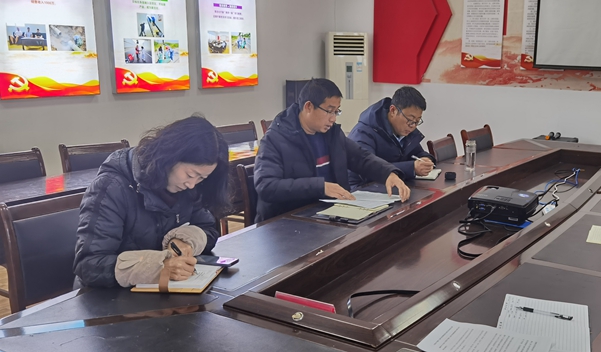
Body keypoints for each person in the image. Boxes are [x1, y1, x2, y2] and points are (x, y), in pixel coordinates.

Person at [74, 115, 229, 288]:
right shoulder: (111, 187)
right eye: (190, 174)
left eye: (201, 178)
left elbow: (208, 229)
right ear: (170, 158)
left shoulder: (187, 189)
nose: (192, 184)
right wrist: (157, 267)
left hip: (160, 291)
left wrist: (186, 241)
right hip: (106, 296)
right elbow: (89, 265)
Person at [254, 78, 410, 221]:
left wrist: (388, 173)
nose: (333, 118)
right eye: (329, 111)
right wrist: (321, 187)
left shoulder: (331, 134)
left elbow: (360, 157)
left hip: (327, 215)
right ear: (308, 107)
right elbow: (266, 186)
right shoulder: (275, 139)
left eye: (336, 111)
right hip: (286, 221)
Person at [348, 86, 435, 187]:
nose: (413, 126)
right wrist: (411, 168)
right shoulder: (364, 132)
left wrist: (425, 159)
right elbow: (368, 170)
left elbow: (417, 152)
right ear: (393, 110)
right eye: (410, 119)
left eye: (417, 121)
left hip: (393, 185)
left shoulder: (403, 130)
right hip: (362, 189)